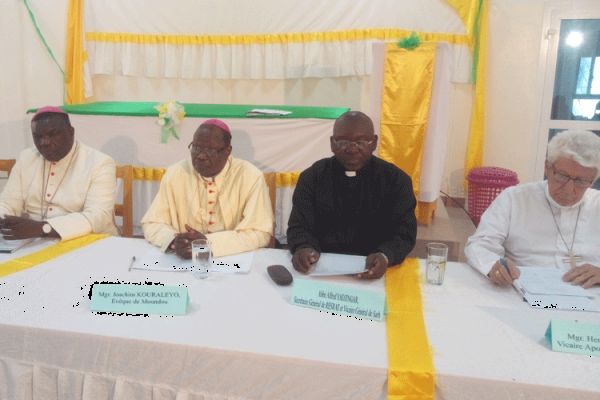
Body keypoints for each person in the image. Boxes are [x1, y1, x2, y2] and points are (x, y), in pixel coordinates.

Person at [286, 111, 417, 279]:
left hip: (378, 271)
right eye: (343, 141)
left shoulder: (396, 180)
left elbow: (404, 233)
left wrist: (386, 255)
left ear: (374, 142)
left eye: (361, 141)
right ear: (332, 143)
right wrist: (303, 248)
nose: (352, 148)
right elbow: (299, 226)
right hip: (320, 270)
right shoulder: (312, 177)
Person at [464, 129, 600, 288]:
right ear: (547, 167)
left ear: (593, 180)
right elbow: (480, 244)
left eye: (582, 181)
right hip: (523, 293)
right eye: (562, 176)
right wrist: (494, 265)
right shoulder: (515, 199)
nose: (569, 189)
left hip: (591, 297)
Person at [141, 119, 273, 258]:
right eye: (196, 147)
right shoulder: (176, 173)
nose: (201, 156)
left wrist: (208, 244)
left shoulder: (250, 176)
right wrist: (174, 240)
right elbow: (152, 223)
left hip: (231, 258)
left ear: (227, 151)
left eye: (210, 150)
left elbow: (260, 232)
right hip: (183, 260)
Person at [0, 106, 117, 240]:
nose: (44, 143)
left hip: (86, 240)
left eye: (52, 134)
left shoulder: (99, 162)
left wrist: (43, 228)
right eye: (38, 137)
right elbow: (8, 203)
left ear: (71, 132)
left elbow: (98, 216)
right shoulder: (26, 158)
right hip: (33, 240)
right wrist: (2, 216)